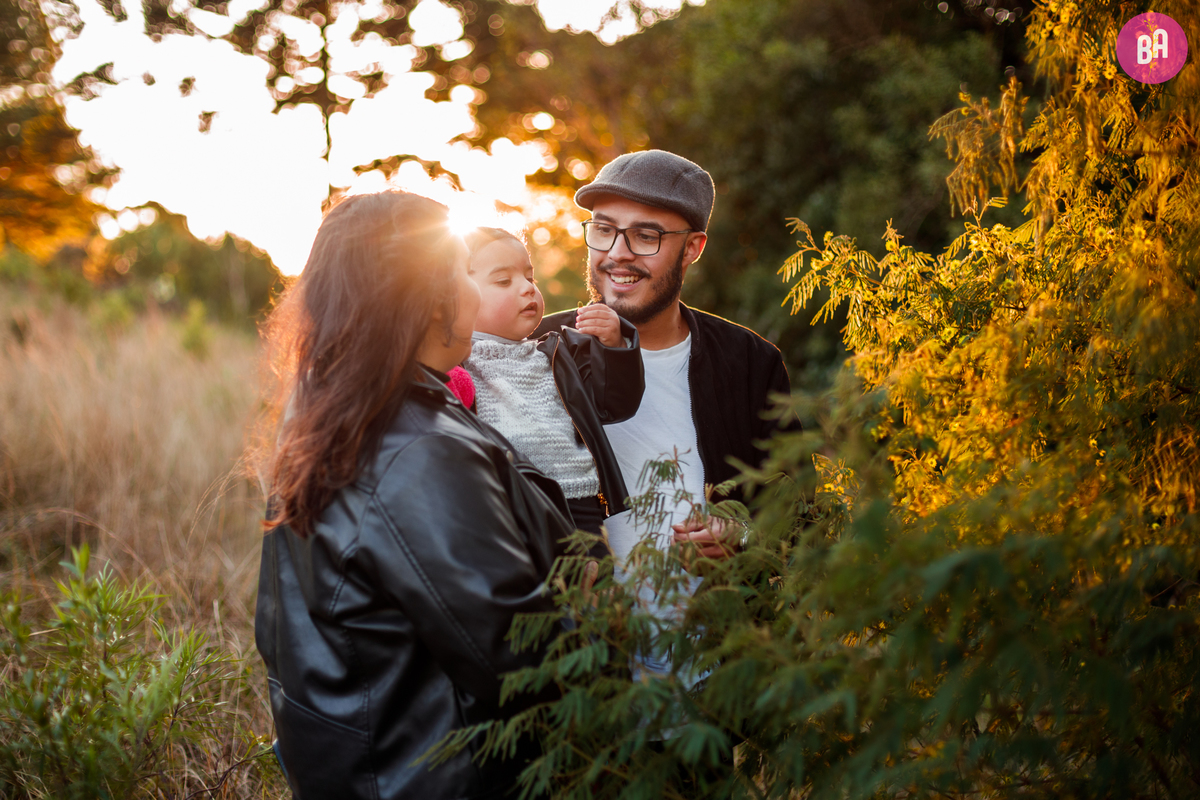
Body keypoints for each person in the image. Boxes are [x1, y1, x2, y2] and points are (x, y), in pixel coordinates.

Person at [254, 191, 576, 800]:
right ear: (427, 297)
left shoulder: (329, 406)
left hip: (368, 768)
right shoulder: (416, 447)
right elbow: (520, 656)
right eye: (461, 271)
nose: (476, 294)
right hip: (439, 778)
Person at [532, 148, 793, 574]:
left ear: (692, 248)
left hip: (717, 632)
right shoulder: (536, 349)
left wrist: (744, 537)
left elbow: (797, 516)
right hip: (584, 634)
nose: (618, 254)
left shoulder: (750, 363)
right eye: (603, 230)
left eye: (646, 236)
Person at [461, 227, 644, 542]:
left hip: (582, 508)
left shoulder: (559, 353)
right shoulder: (456, 365)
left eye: (530, 278)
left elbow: (614, 403)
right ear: (458, 293)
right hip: (508, 514)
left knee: (594, 586)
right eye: (504, 281)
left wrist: (614, 344)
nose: (527, 289)